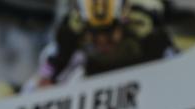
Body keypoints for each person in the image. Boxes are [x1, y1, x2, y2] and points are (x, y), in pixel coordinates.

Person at [35, 0, 174, 85]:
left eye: (109, 33)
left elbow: (172, 55)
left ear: (124, 19)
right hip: (97, 81)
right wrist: (46, 77)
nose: (102, 43)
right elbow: (56, 60)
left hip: (146, 76)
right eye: (94, 35)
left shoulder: (145, 22)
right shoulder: (71, 27)